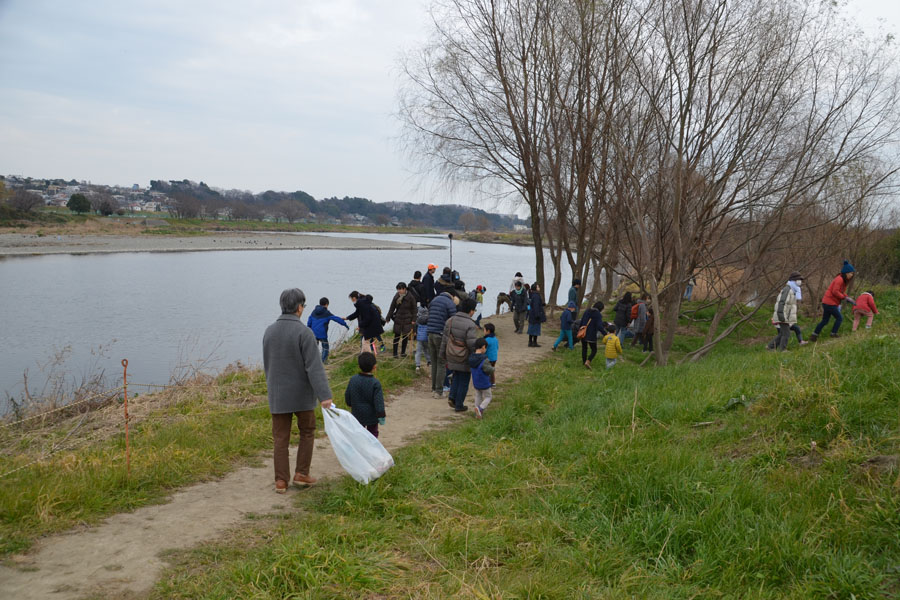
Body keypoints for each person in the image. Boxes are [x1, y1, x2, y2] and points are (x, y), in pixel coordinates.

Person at [262, 288, 333, 494]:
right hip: (302, 395)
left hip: (278, 394)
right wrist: (324, 396)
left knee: (281, 438)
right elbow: (314, 367)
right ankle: (301, 474)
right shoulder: (304, 333)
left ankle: (280, 481)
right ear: (299, 307)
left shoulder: (269, 331)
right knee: (307, 432)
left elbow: (268, 364)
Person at [440, 298, 480, 412]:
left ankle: (452, 397)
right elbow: (471, 344)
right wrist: (477, 356)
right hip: (463, 356)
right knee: (464, 380)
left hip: (451, 354)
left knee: (456, 375)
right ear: (471, 311)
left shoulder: (450, 320)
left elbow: (445, 339)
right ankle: (459, 405)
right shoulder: (470, 324)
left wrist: (442, 353)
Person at [810, 260, 856, 341]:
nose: (852, 275)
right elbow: (835, 291)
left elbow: (841, 292)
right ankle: (833, 333)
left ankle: (814, 335)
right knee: (839, 318)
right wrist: (844, 298)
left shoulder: (843, 280)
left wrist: (847, 297)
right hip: (830, 302)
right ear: (846, 273)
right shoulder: (839, 279)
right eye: (851, 273)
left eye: (852, 273)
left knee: (825, 321)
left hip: (827, 302)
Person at [344, 352, 385, 438]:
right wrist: (381, 415)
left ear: (359, 366)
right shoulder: (375, 383)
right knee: (373, 433)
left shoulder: (353, 380)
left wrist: (349, 403)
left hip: (357, 413)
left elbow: (348, 394)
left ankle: (359, 448)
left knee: (358, 433)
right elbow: (379, 401)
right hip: (371, 415)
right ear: (374, 367)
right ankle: (371, 448)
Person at [426, 287, 457, 398]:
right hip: (440, 335)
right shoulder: (450, 303)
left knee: (434, 362)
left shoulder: (434, 300)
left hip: (430, 333)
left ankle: (434, 388)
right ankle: (439, 391)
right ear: (452, 296)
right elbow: (453, 320)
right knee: (441, 363)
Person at [305, 297, 349, 363]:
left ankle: (313, 362)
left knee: (314, 348)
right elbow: (336, 318)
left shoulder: (314, 312)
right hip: (322, 334)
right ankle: (323, 362)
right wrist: (345, 324)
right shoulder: (326, 313)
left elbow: (309, 321)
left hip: (313, 333)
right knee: (325, 348)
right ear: (326, 304)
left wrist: (309, 329)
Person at [770, 272, 802, 351]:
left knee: (782, 333)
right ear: (794, 280)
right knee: (786, 333)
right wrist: (782, 316)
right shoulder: (788, 290)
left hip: (785, 316)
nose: (800, 281)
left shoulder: (792, 290)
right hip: (783, 316)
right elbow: (782, 303)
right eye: (799, 279)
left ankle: (770, 347)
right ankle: (782, 350)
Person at [385, 282, 418, 358]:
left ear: (404, 289)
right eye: (398, 289)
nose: (399, 291)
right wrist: (388, 317)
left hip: (407, 320)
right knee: (396, 336)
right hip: (398, 319)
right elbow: (392, 307)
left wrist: (414, 319)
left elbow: (414, 309)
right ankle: (395, 353)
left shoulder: (410, 297)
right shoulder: (396, 296)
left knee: (405, 337)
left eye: (400, 289)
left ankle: (403, 352)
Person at [469, 338, 495, 419]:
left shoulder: (471, 358)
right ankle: (480, 408)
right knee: (488, 396)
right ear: (483, 347)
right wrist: (493, 369)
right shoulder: (484, 359)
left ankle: (477, 411)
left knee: (478, 396)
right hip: (484, 382)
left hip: (476, 381)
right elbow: (489, 370)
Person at [578, 301, 604, 369]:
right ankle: (588, 361)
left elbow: (581, 321)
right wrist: (605, 333)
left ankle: (584, 362)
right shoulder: (598, 314)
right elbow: (599, 326)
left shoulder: (587, 311)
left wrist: (580, 330)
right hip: (591, 334)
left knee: (584, 348)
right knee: (594, 350)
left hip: (583, 333)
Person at [527, 282, 546, 347]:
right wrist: (537, 315)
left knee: (531, 329)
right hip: (535, 315)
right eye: (538, 287)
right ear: (535, 288)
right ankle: (534, 342)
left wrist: (542, 304)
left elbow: (532, 305)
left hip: (532, 315)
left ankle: (530, 342)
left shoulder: (533, 295)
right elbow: (535, 306)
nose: (539, 288)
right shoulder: (536, 296)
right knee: (535, 329)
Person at [414, 305, 430, 373]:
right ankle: (429, 361)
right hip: (426, 337)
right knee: (427, 350)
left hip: (419, 338)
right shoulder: (429, 319)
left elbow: (415, 327)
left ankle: (417, 365)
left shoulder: (418, 319)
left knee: (418, 352)